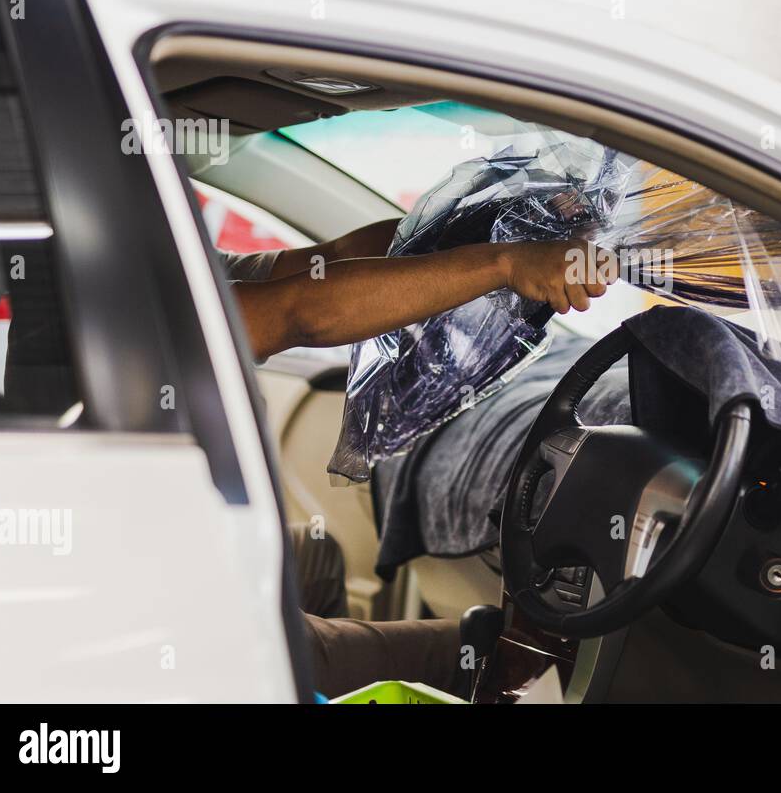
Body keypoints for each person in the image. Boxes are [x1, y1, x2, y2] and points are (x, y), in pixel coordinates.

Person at [218, 218, 612, 698]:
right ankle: (295, 673)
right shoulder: (124, 288)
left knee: (317, 554)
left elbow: (329, 259)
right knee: (484, 647)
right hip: (177, 611)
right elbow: (294, 311)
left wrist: (471, 222)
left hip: (195, 547)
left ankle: (317, 680)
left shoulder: (174, 265)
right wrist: (504, 263)